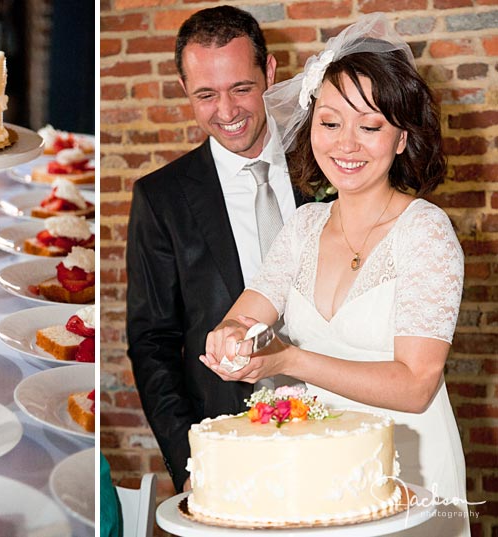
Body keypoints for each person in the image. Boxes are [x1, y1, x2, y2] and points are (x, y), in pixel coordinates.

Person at [201, 13, 470, 536]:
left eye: (369, 127)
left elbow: (416, 384)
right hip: (314, 470)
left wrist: (292, 359)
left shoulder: (427, 233)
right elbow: (246, 313)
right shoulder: (303, 226)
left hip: (409, 472)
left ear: (400, 138)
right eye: (329, 123)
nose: (345, 144)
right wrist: (230, 338)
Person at [126, 5, 313, 493]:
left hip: (341, 420)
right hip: (229, 443)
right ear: (185, 89)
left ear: (269, 73)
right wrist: (191, 462)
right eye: (206, 95)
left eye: (241, 89)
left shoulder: (329, 168)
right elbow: (152, 343)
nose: (227, 113)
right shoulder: (160, 198)